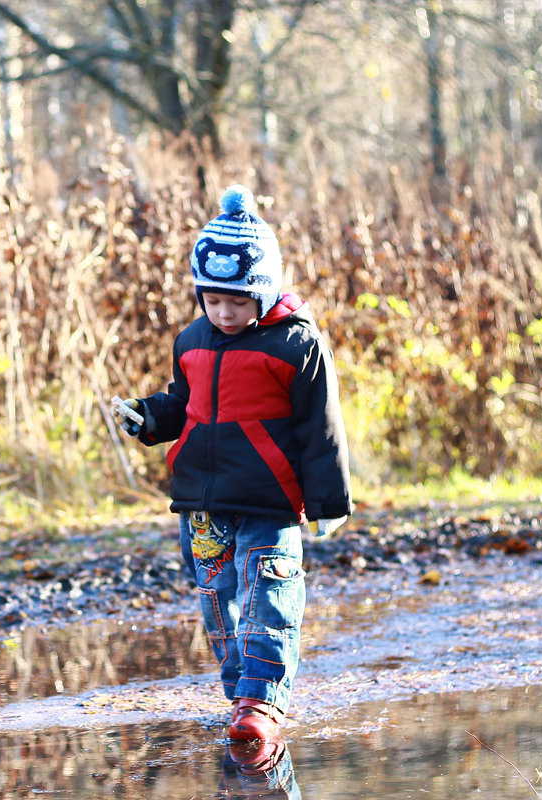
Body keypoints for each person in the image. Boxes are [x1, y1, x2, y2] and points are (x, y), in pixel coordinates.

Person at [112, 185, 352, 742]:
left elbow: (320, 429)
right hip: (201, 502)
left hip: (269, 497)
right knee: (216, 598)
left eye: (238, 302)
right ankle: (239, 696)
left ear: (264, 293)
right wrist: (149, 418)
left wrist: (328, 504)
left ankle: (263, 702)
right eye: (212, 300)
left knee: (270, 592)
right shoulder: (192, 340)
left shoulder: (296, 345)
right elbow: (186, 405)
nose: (223, 313)